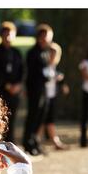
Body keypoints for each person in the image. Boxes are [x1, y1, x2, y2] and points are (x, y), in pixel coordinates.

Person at [0, 21, 23, 143]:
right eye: (5, 34)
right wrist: (6, 85)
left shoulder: (17, 53)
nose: (7, 37)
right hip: (0, 92)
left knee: (11, 120)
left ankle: (11, 144)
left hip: (14, 93)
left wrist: (18, 85)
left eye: (10, 34)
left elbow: (22, 71)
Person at [23, 23, 54, 155]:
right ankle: (28, 143)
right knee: (33, 116)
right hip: (34, 90)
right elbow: (33, 73)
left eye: (47, 36)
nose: (45, 39)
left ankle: (35, 141)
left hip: (44, 89)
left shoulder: (46, 52)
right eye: (43, 36)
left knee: (41, 117)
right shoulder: (32, 53)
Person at [40, 42, 70, 150]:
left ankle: (54, 141)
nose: (52, 55)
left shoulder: (56, 67)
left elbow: (60, 80)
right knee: (42, 120)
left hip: (52, 96)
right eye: (51, 52)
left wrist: (62, 84)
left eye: (55, 53)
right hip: (43, 97)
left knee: (50, 120)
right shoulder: (43, 65)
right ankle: (38, 141)